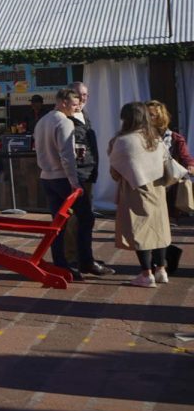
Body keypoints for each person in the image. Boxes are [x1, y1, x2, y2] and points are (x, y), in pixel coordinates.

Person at [110, 102, 181, 288]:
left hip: (135, 191)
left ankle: (146, 274)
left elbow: (115, 173)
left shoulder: (123, 141)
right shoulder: (155, 138)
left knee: (140, 232)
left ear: (126, 118)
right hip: (157, 190)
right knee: (159, 231)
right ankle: (162, 271)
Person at [33, 88, 83, 277]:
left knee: (57, 224)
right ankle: (80, 260)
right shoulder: (64, 122)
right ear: (63, 102)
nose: (76, 108)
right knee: (84, 218)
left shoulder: (42, 121)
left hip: (46, 177)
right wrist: (75, 182)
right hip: (62, 178)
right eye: (74, 104)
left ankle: (60, 262)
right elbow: (67, 156)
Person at [71, 83, 112, 276]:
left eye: (86, 94)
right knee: (78, 218)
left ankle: (83, 256)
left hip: (88, 172)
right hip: (77, 174)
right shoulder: (66, 117)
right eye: (80, 95)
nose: (84, 98)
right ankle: (77, 259)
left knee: (85, 218)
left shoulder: (83, 114)